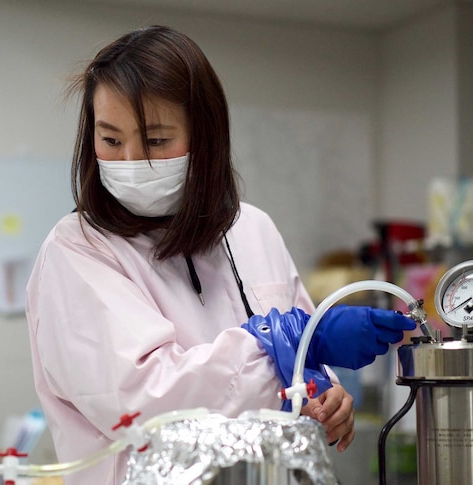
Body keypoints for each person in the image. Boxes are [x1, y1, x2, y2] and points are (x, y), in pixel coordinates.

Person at [25, 25, 415, 484]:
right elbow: (150, 401)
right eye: (111, 140)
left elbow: (304, 366)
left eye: (155, 141)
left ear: (205, 136)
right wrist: (283, 343)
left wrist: (324, 397)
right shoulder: (78, 251)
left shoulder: (253, 230)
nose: (130, 161)